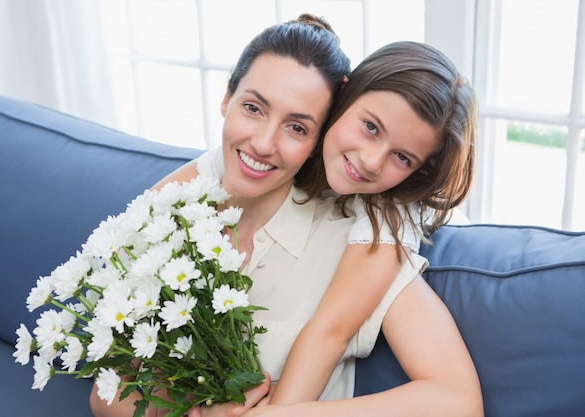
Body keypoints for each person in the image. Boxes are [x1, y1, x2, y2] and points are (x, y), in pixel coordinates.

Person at [90, 13, 483, 417]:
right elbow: (106, 395)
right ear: (227, 99)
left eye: (297, 127)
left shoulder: (368, 238)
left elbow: (456, 402)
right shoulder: (174, 210)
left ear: (320, 126)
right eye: (253, 108)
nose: (263, 143)